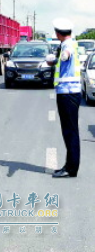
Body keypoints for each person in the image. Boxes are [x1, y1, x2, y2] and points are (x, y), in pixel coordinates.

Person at [45, 18, 81, 178]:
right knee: (70, 131)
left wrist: (63, 56)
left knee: (70, 131)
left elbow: (67, 55)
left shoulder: (67, 45)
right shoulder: (68, 43)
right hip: (69, 93)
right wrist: (55, 60)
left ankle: (71, 168)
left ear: (58, 33)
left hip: (68, 93)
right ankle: (70, 165)